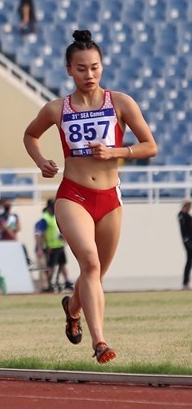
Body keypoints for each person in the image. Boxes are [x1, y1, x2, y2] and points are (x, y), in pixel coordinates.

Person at [23, 30, 158, 364]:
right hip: (73, 195)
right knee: (91, 263)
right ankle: (100, 342)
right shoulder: (57, 109)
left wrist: (115, 151)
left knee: (95, 274)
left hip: (110, 197)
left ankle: (72, 308)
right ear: (69, 69)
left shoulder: (121, 103)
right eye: (81, 68)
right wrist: (41, 162)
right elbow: (30, 135)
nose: (89, 74)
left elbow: (150, 146)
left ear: (102, 66)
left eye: (95, 67)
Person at [34, 199, 74, 292]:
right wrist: (43, 247)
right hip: (51, 247)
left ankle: (66, 281)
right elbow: (40, 234)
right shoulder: (45, 219)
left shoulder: (56, 216)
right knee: (50, 266)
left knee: (62, 264)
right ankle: (49, 283)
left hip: (59, 245)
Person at [178, 200, 192, 290]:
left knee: (189, 262)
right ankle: (185, 282)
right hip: (188, 241)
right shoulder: (182, 216)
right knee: (189, 261)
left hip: (189, 240)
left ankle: (185, 282)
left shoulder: (186, 216)